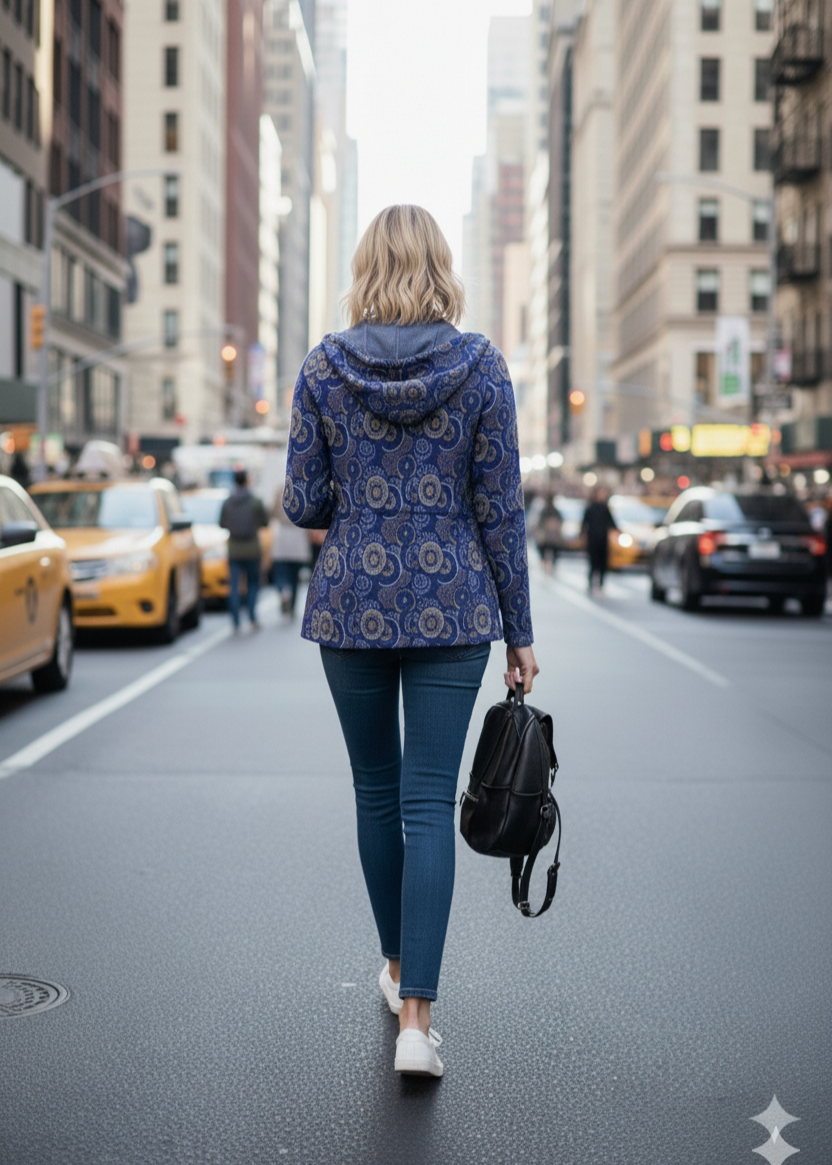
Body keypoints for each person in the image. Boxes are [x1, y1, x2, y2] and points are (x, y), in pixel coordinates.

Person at [283, 204, 538, 1078]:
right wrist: (520, 630)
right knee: (429, 801)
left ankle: (395, 966)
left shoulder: (323, 366)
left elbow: (303, 502)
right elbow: (501, 509)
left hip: (351, 603)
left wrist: (357, 490)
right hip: (453, 604)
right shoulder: (482, 367)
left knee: (376, 791)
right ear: (441, 268)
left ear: (365, 270)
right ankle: (417, 1023)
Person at [219, 469, 268, 632]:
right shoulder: (255, 501)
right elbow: (265, 522)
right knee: (253, 583)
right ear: (246, 481)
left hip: (234, 549)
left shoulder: (228, 502)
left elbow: (222, 523)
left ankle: (235, 621)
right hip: (252, 548)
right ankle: (252, 617)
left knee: (234, 585)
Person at [269, 485, 310, 616]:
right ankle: (292, 607)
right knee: (295, 577)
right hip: (298, 535)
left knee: (281, 572)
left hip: (283, 534)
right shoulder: (303, 489)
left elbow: (273, 513)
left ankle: (284, 591)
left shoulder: (280, 491)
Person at [581, 485, 617, 593]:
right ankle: (591, 582)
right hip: (593, 539)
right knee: (593, 562)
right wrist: (582, 534)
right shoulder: (590, 508)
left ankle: (601, 582)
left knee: (602, 562)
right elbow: (584, 522)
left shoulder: (605, 508)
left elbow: (611, 523)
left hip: (603, 539)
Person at [533, 495, 563, 573]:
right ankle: (547, 565)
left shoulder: (550, 511)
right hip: (548, 538)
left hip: (550, 538)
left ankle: (548, 565)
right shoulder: (547, 511)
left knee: (549, 551)